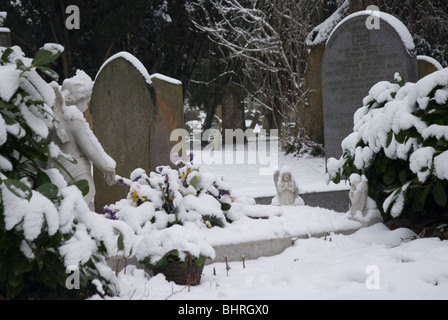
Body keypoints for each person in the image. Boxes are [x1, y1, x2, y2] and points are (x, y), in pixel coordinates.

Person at [49, 70, 116, 211]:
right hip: (77, 171)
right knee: (85, 206)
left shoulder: (55, 117)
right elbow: (90, 148)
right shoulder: (74, 118)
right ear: (79, 99)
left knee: (63, 206)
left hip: (57, 170)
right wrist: (107, 168)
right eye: (86, 101)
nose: (87, 107)